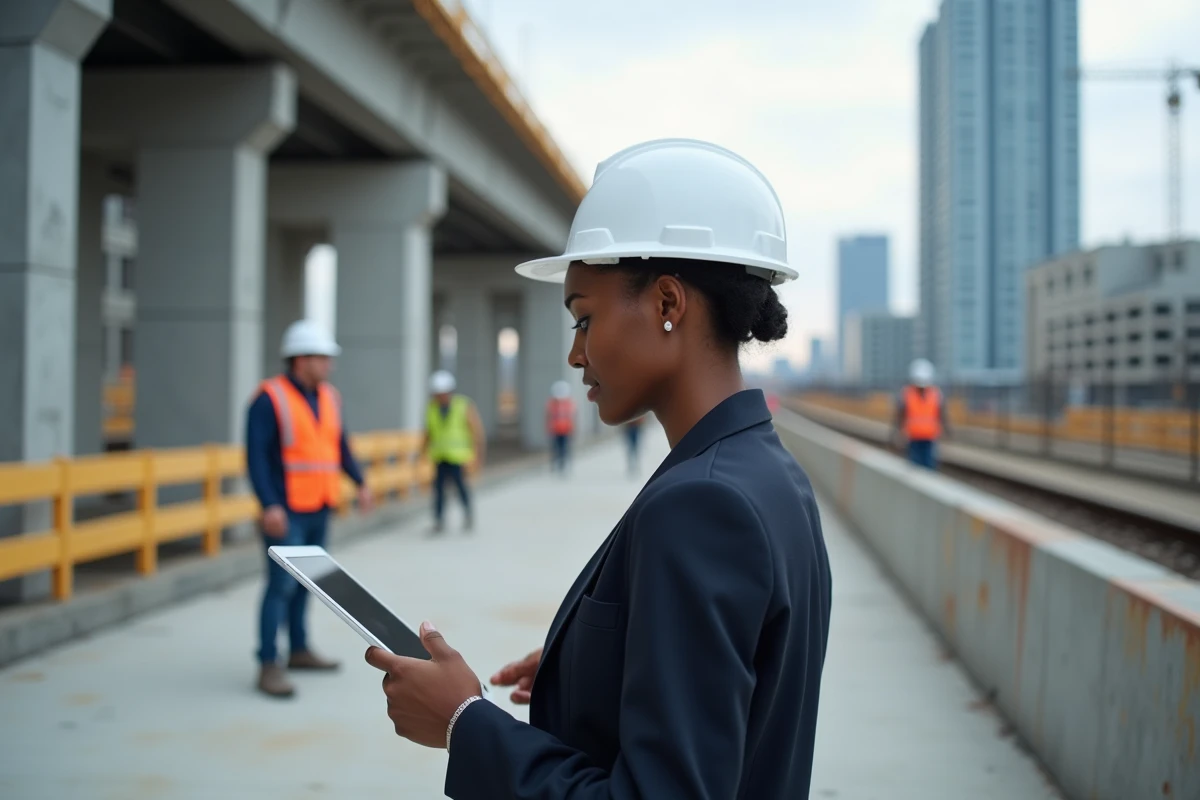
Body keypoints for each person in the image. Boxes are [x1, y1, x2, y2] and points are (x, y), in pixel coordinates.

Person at [363, 138, 833, 799]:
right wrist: (587, 669)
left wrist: (464, 722)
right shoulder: (768, 476)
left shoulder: (701, 506)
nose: (575, 355)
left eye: (584, 318)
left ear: (668, 304)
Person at [245, 319, 374, 699]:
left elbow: (340, 446)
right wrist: (269, 504)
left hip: (319, 505)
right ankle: (269, 663)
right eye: (323, 357)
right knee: (280, 586)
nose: (329, 365)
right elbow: (256, 457)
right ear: (301, 359)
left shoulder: (330, 396)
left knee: (310, 585)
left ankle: (299, 650)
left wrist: (360, 482)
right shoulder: (269, 398)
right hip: (286, 511)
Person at [423, 370, 486, 533]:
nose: (439, 396)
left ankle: (467, 515)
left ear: (449, 391)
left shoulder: (463, 406)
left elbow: (477, 432)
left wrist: (478, 456)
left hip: (459, 457)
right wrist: (422, 452)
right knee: (438, 490)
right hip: (440, 456)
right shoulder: (432, 408)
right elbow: (428, 433)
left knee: (461, 487)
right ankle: (439, 520)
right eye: (437, 393)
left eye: (442, 393)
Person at [893, 358, 949, 470]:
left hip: (930, 438)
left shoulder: (936, 394)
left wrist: (947, 431)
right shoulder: (907, 394)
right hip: (913, 438)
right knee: (915, 467)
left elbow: (942, 414)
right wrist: (897, 433)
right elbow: (900, 415)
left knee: (929, 466)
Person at [545, 380, 576, 475]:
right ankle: (555, 463)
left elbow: (573, 417)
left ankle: (563, 464)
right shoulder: (551, 404)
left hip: (566, 430)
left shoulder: (569, 404)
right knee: (555, 448)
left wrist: (573, 429)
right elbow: (548, 416)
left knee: (564, 448)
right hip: (555, 430)